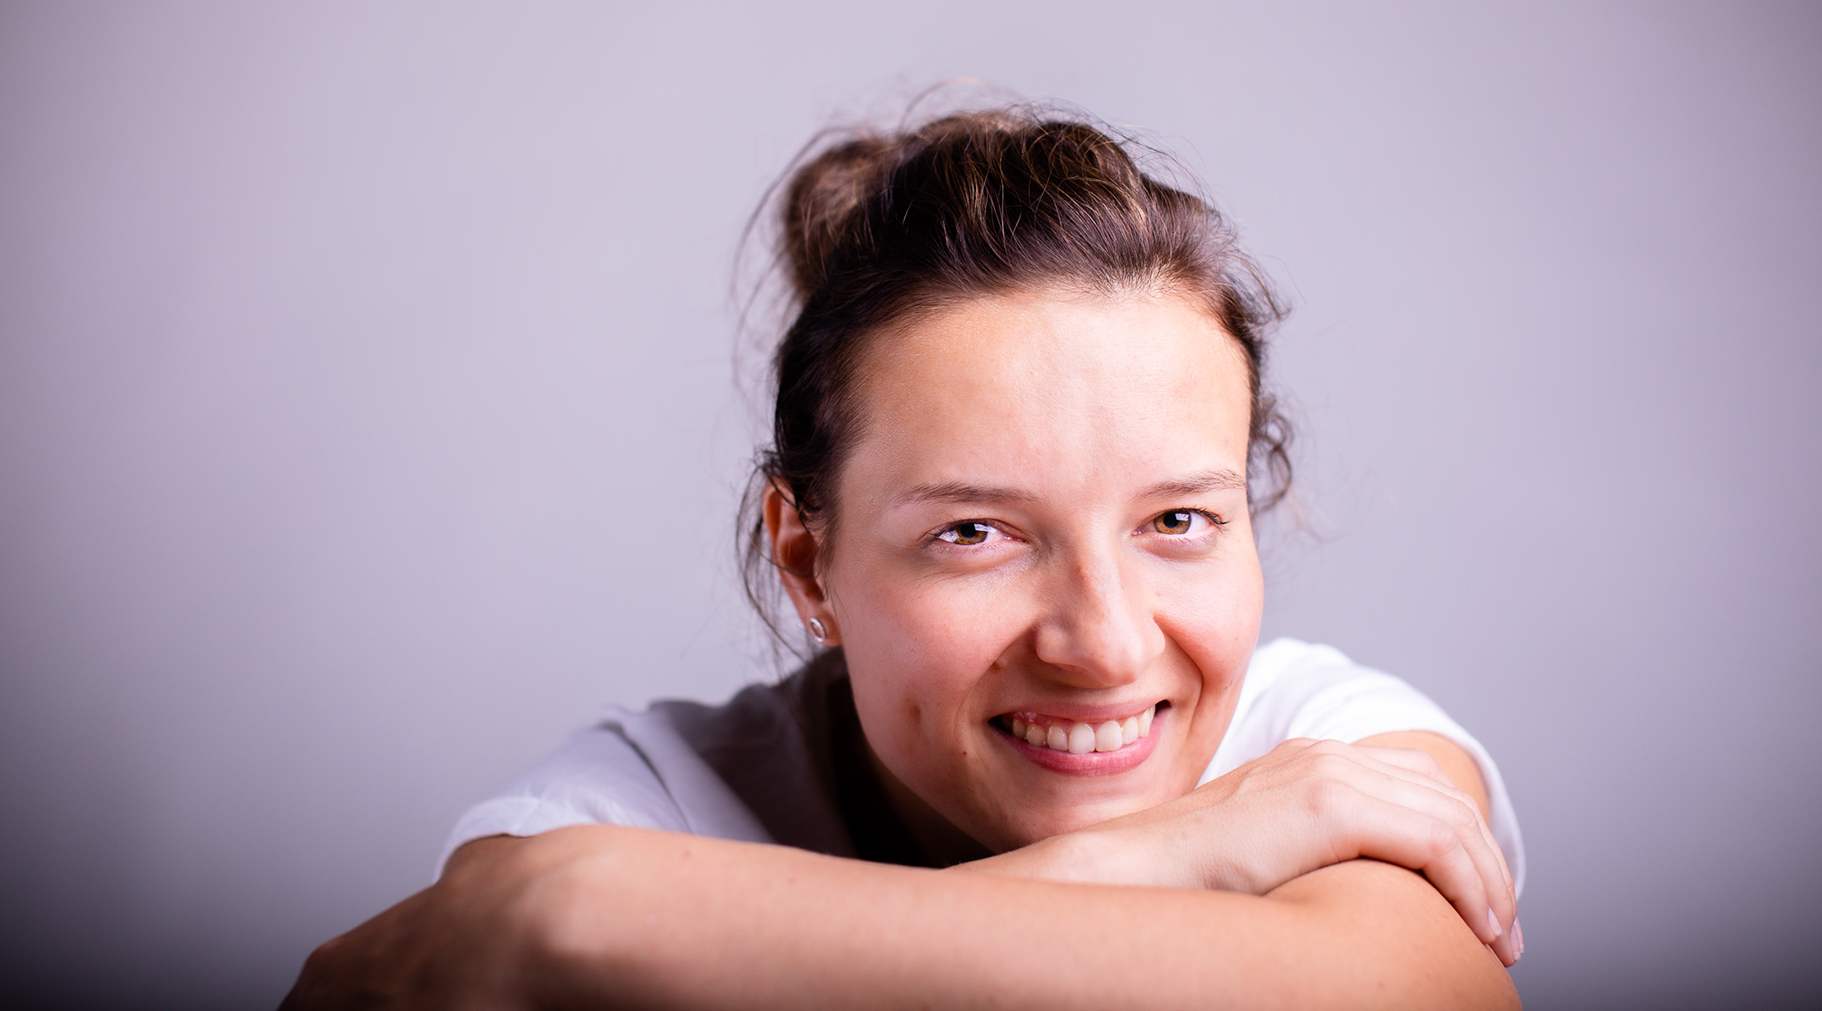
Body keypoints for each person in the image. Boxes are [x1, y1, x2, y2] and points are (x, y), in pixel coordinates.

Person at [284, 106, 1525, 1009]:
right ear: (806, 561)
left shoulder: (1324, 745)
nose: (1104, 644)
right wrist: (1153, 855)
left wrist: (581, 910)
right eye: (973, 532)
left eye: (1178, 521)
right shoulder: (638, 804)